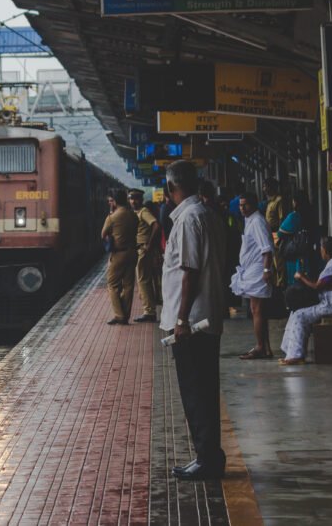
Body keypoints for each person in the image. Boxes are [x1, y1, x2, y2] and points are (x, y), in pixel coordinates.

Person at [161, 161, 228, 481]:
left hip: (193, 324)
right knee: (205, 389)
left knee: (195, 391)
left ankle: (207, 458)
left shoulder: (188, 219)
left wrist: (181, 319)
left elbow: (189, 272)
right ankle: (211, 455)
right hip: (206, 317)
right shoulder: (207, 214)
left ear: (172, 188)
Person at [279, 236, 332, 365]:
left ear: (326, 250)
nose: (320, 251)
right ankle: (289, 351)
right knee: (295, 312)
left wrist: (301, 276)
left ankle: (296, 355)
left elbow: (317, 286)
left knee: (300, 316)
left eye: (321, 248)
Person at [230, 193, 275, 359]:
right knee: (259, 311)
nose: (242, 208)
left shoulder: (257, 221)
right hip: (252, 270)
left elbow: (267, 249)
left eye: (246, 205)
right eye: (241, 205)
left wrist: (266, 271)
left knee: (256, 310)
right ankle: (266, 347)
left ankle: (260, 347)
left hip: (258, 271)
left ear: (254, 205)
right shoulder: (250, 220)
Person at [101, 189, 138, 325]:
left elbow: (103, 234)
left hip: (119, 254)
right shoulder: (133, 215)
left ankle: (119, 315)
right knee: (128, 285)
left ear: (115, 201)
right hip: (132, 252)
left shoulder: (112, 217)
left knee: (112, 284)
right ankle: (126, 315)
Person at [128, 189, 160, 322]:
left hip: (143, 249)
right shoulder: (135, 213)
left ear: (141, 200)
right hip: (139, 249)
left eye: (135, 198)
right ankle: (149, 309)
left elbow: (156, 225)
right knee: (143, 280)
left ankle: (149, 312)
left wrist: (149, 245)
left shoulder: (143, 212)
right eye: (131, 198)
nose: (133, 201)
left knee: (143, 280)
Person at [277, 190, 316, 286]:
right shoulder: (312, 213)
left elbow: (279, 234)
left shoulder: (293, 216)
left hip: (296, 254)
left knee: (296, 282)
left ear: (295, 201)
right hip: (312, 252)